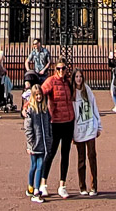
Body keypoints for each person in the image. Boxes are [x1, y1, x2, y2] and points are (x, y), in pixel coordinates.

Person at [39, 58, 75, 199]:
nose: (61, 71)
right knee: (51, 153)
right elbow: (39, 94)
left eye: (63, 68)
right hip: (55, 123)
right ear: (55, 70)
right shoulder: (51, 81)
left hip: (68, 122)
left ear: (67, 69)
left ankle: (62, 185)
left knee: (65, 154)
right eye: (58, 69)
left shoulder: (68, 82)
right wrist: (26, 107)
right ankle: (43, 183)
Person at [71, 69, 101, 196]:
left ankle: (94, 186)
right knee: (81, 159)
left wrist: (98, 125)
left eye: (80, 76)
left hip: (90, 127)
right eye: (76, 76)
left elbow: (94, 107)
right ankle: (82, 186)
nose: (79, 79)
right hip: (78, 129)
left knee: (92, 157)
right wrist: (71, 133)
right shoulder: (71, 93)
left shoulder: (87, 90)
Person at [24, 84, 52, 203]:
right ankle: (35, 190)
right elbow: (28, 129)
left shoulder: (45, 110)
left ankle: (31, 187)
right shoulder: (30, 110)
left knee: (37, 166)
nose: (39, 97)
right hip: (35, 143)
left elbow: (49, 126)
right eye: (37, 95)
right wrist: (31, 143)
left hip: (44, 142)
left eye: (40, 94)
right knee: (36, 166)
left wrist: (49, 138)